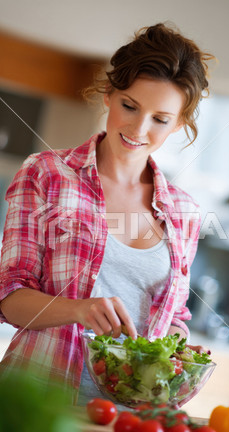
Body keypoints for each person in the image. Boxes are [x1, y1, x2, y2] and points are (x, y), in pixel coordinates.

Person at [0, 23, 215, 404]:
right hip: (35, 400)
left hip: (127, 418)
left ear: (179, 124)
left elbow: (175, 316)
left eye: (160, 119)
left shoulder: (185, 211)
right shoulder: (47, 173)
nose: (138, 128)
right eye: (129, 106)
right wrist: (79, 310)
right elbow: (9, 296)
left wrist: (176, 353)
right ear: (108, 96)